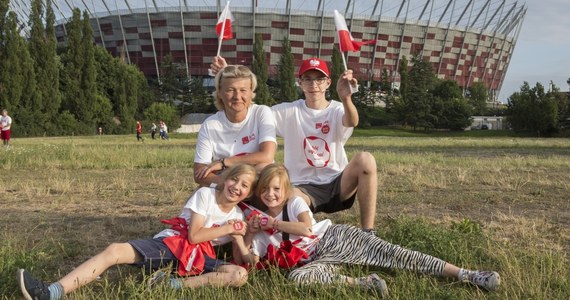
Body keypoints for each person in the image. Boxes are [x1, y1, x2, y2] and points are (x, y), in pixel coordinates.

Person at [235, 164, 501, 296]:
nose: (271, 195)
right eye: (265, 190)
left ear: (286, 190)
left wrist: (274, 224)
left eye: (276, 190)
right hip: (313, 260)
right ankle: (364, 283)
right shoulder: (257, 221)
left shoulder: (292, 202)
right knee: (298, 279)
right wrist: (249, 232)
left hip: (333, 238)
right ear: (258, 193)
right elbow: (248, 259)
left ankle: (467, 274)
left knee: (395, 254)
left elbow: (305, 228)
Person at [17, 164, 259, 300]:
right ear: (226, 178)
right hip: (174, 245)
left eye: (244, 186)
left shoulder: (238, 216)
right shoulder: (206, 195)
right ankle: (52, 291)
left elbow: (242, 260)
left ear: (248, 194)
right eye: (234, 180)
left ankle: (172, 285)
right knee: (114, 251)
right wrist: (227, 228)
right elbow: (194, 235)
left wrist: (245, 238)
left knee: (238, 275)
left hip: (198, 260)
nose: (236, 187)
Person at [210, 57, 377, 231]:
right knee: (286, 198)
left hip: (337, 182)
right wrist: (229, 74)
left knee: (366, 159)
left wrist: (347, 98)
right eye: (308, 79)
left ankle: (368, 232)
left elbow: (352, 121)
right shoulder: (288, 111)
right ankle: (299, 241)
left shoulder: (336, 109)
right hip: (302, 187)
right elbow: (252, 111)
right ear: (300, 83)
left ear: (328, 83)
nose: (314, 85)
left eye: (319, 79)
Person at [193, 62, 276, 187]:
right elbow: (199, 174)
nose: (237, 96)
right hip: (225, 186)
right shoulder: (210, 125)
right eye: (230, 90)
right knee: (197, 197)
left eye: (243, 90)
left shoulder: (261, 113)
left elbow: (267, 156)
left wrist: (224, 162)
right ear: (220, 93)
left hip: (256, 185)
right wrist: (232, 185)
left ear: (251, 92)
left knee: (266, 168)